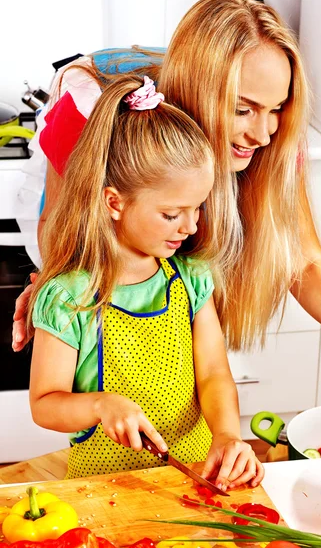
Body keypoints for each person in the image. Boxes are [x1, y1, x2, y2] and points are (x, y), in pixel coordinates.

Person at [15, 0, 321, 405]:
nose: (263, 133)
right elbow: (57, 221)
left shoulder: (273, 137)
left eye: (276, 109)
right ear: (198, 91)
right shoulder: (92, 111)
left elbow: (301, 255)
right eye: (241, 110)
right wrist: (59, 285)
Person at [28, 73, 264, 486]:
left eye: (198, 209)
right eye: (172, 214)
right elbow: (45, 404)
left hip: (193, 478)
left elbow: (213, 373)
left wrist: (227, 435)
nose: (190, 227)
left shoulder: (191, 279)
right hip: (104, 492)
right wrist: (100, 405)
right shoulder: (69, 298)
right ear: (114, 202)